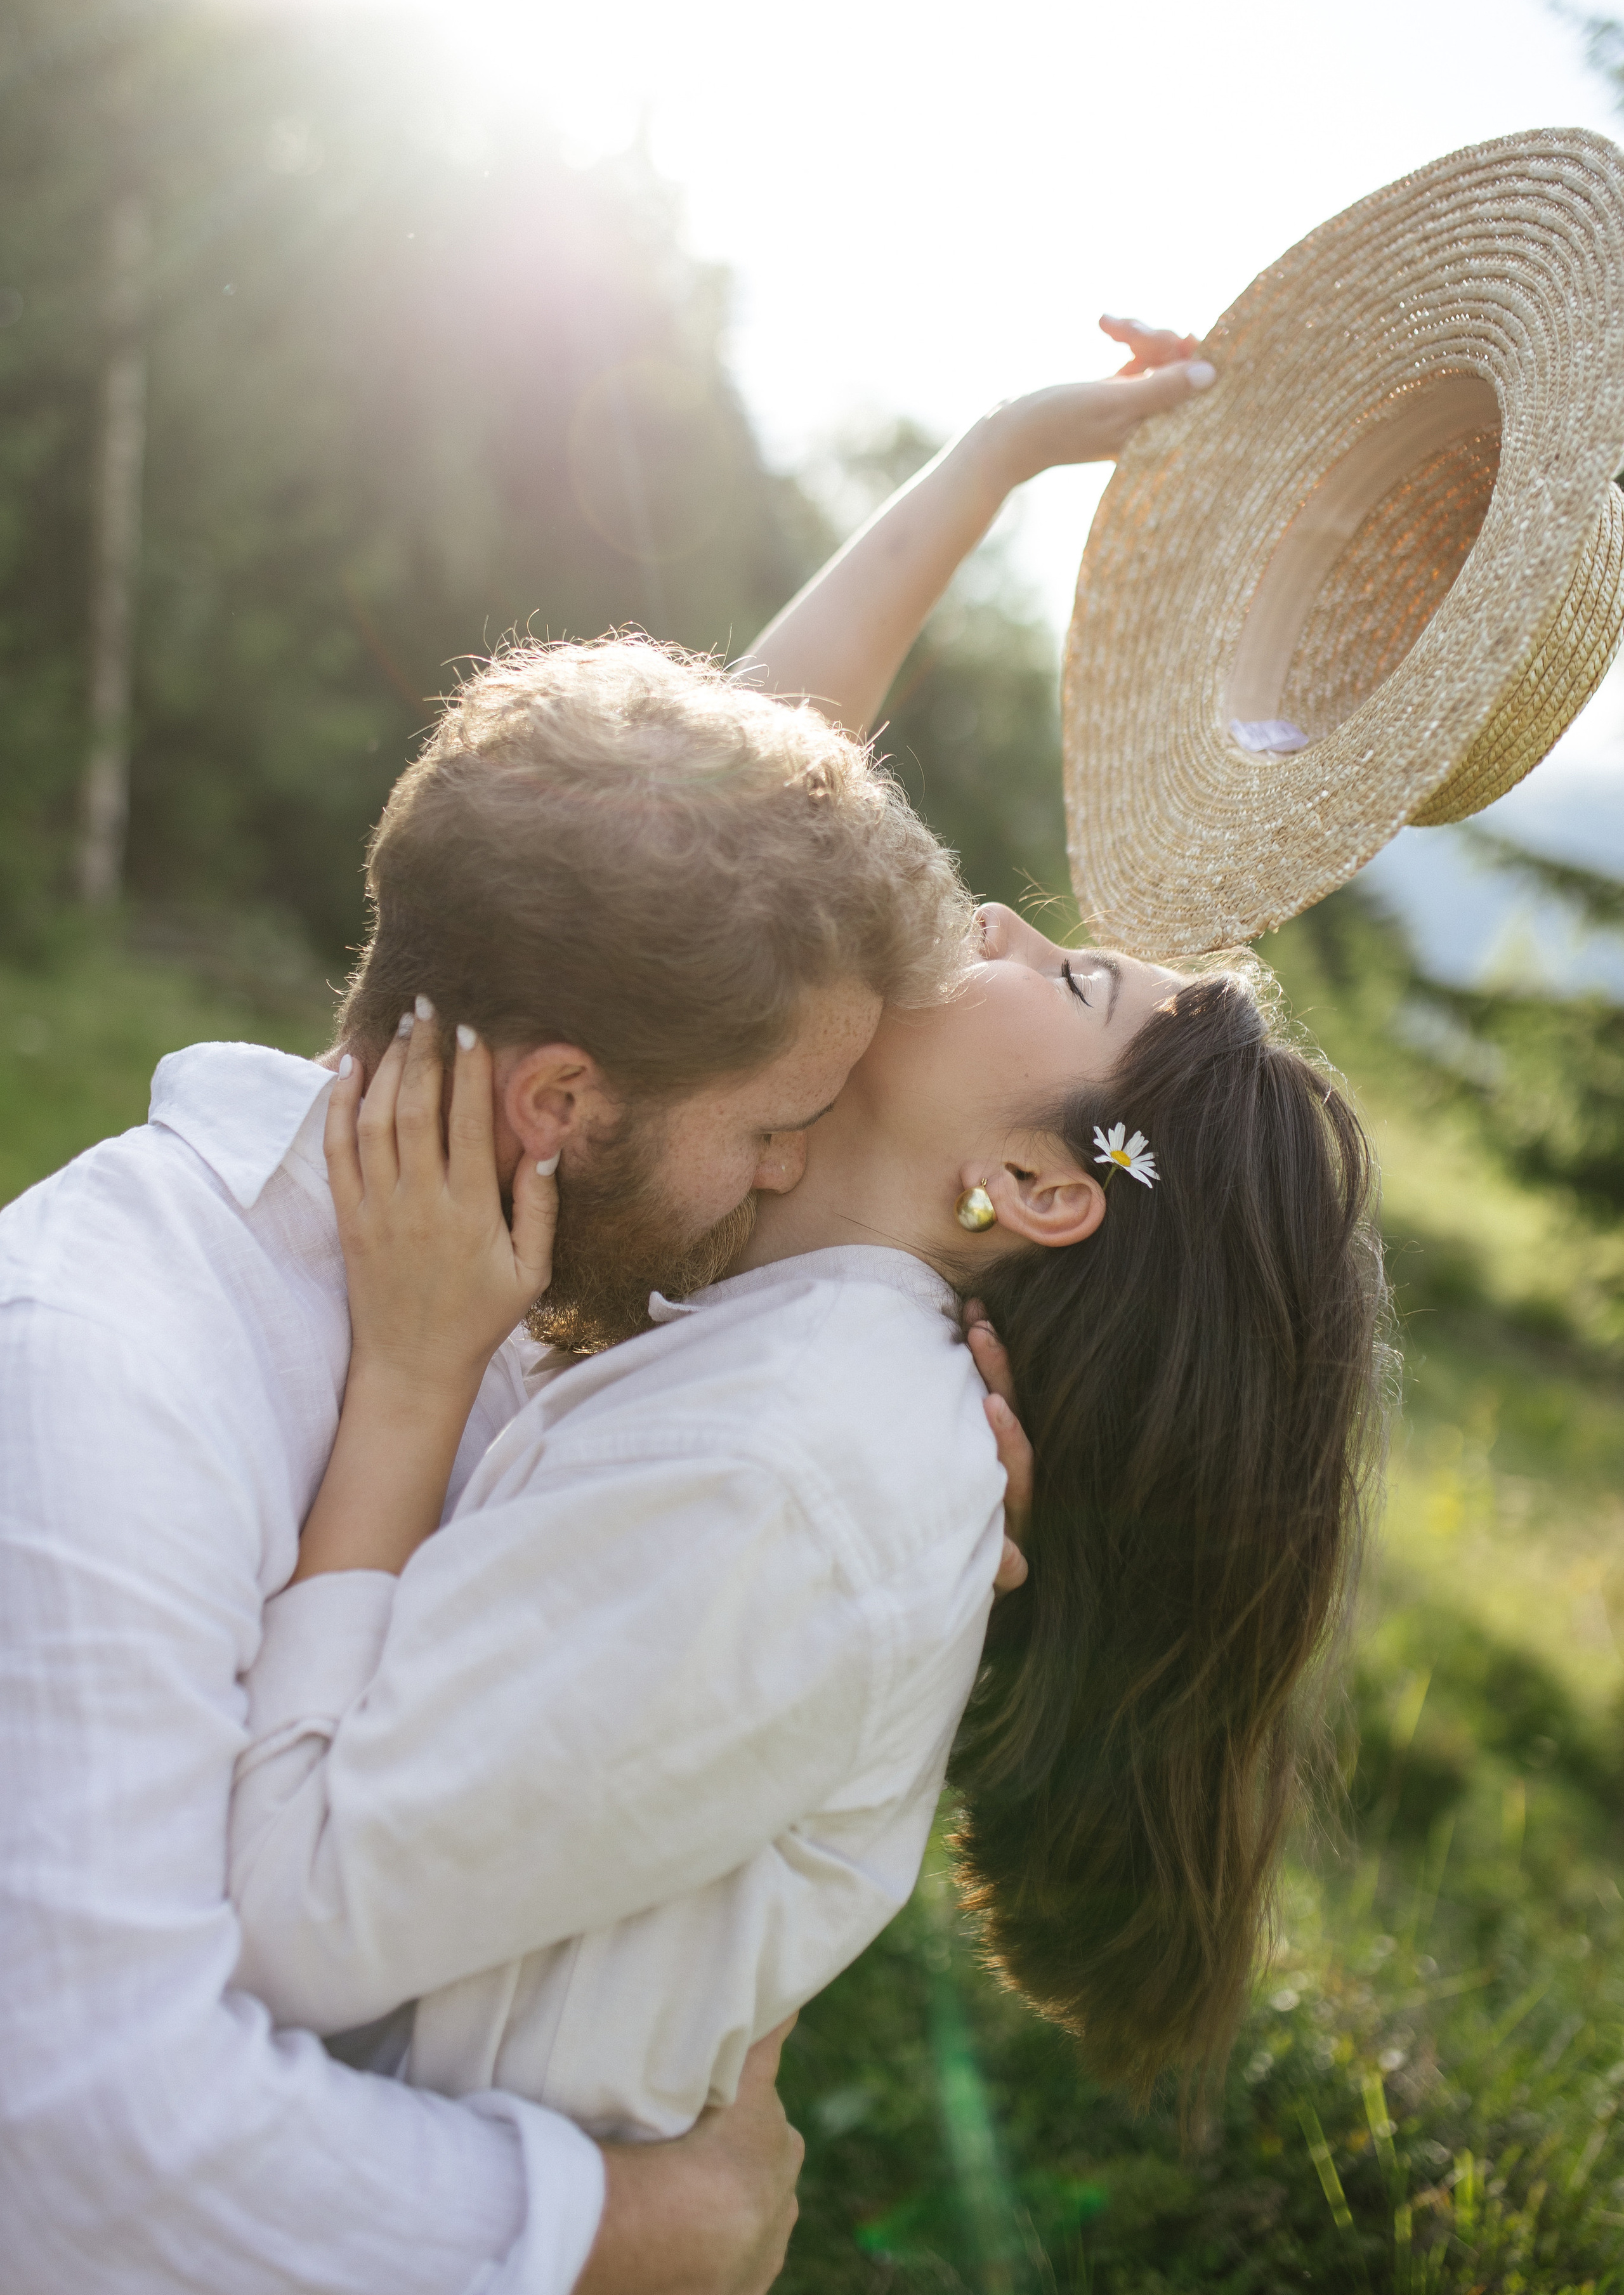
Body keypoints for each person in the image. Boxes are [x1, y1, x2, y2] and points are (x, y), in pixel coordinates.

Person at [0, 317, 1210, 2292]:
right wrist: (633, 2228)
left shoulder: (555, 1233)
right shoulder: (107, 1372)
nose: (779, 1181)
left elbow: (702, 869)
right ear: (567, 1101)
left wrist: (985, 468)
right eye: (780, 1131)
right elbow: (98, 2147)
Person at [219, 324, 1388, 2138]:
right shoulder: (775, 1284)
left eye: (1064, 972)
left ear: (1042, 1191)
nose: (998, 918)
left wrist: (406, 1388)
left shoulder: (792, 1467)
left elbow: (294, 1918)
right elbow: (687, 854)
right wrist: (993, 463)